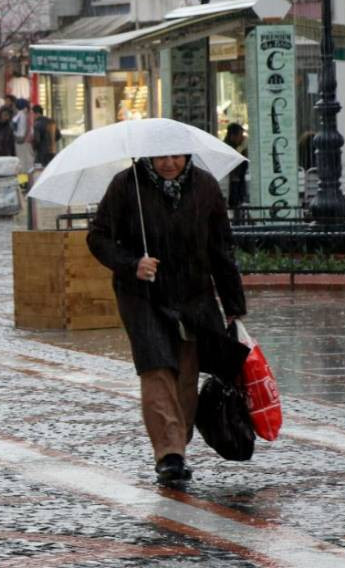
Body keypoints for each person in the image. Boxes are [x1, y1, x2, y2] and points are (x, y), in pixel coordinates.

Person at [87, 155, 249, 485]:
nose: (169, 163)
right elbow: (98, 236)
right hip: (142, 295)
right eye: (162, 156)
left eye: (176, 156)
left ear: (188, 155)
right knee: (156, 367)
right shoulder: (126, 184)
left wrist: (233, 303)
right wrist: (132, 263)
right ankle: (169, 455)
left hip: (193, 294)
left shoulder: (204, 186)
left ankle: (178, 440)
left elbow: (221, 247)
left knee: (186, 372)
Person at [223, 123, 248, 216]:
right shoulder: (227, 148)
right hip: (231, 186)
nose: (242, 138)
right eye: (240, 135)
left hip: (239, 184)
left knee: (239, 209)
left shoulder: (240, 148)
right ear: (232, 136)